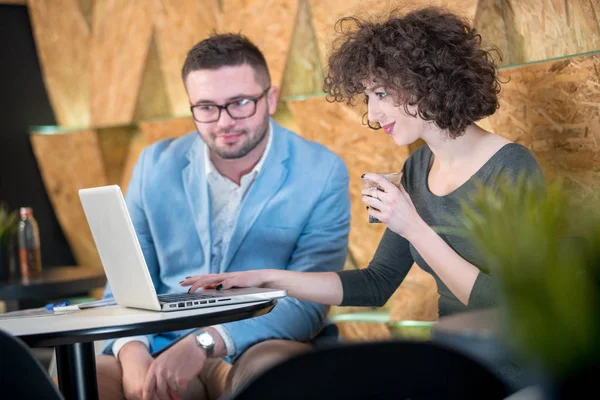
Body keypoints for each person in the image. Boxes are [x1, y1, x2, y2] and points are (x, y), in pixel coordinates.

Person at [183, 8, 545, 328]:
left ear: (427, 80)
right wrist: (265, 279)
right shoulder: (418, 167)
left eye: (382, 94)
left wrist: (414, 228)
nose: (372, 115)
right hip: (455, 354)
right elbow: (376, 284)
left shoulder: (510, 166)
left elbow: (512, 305)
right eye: (368, 97)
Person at [94, 33, 351, 400]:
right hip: (160, 340)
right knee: (85, 379)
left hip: (260, 339)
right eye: (206, 107)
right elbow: (126, 281)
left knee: (274, 375)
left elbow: (309, 303)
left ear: (271, 99)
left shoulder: (322, 171)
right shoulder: (154, 164)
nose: (224, 122)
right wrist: (132, 351)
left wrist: (204, 341)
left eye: (241, 103)